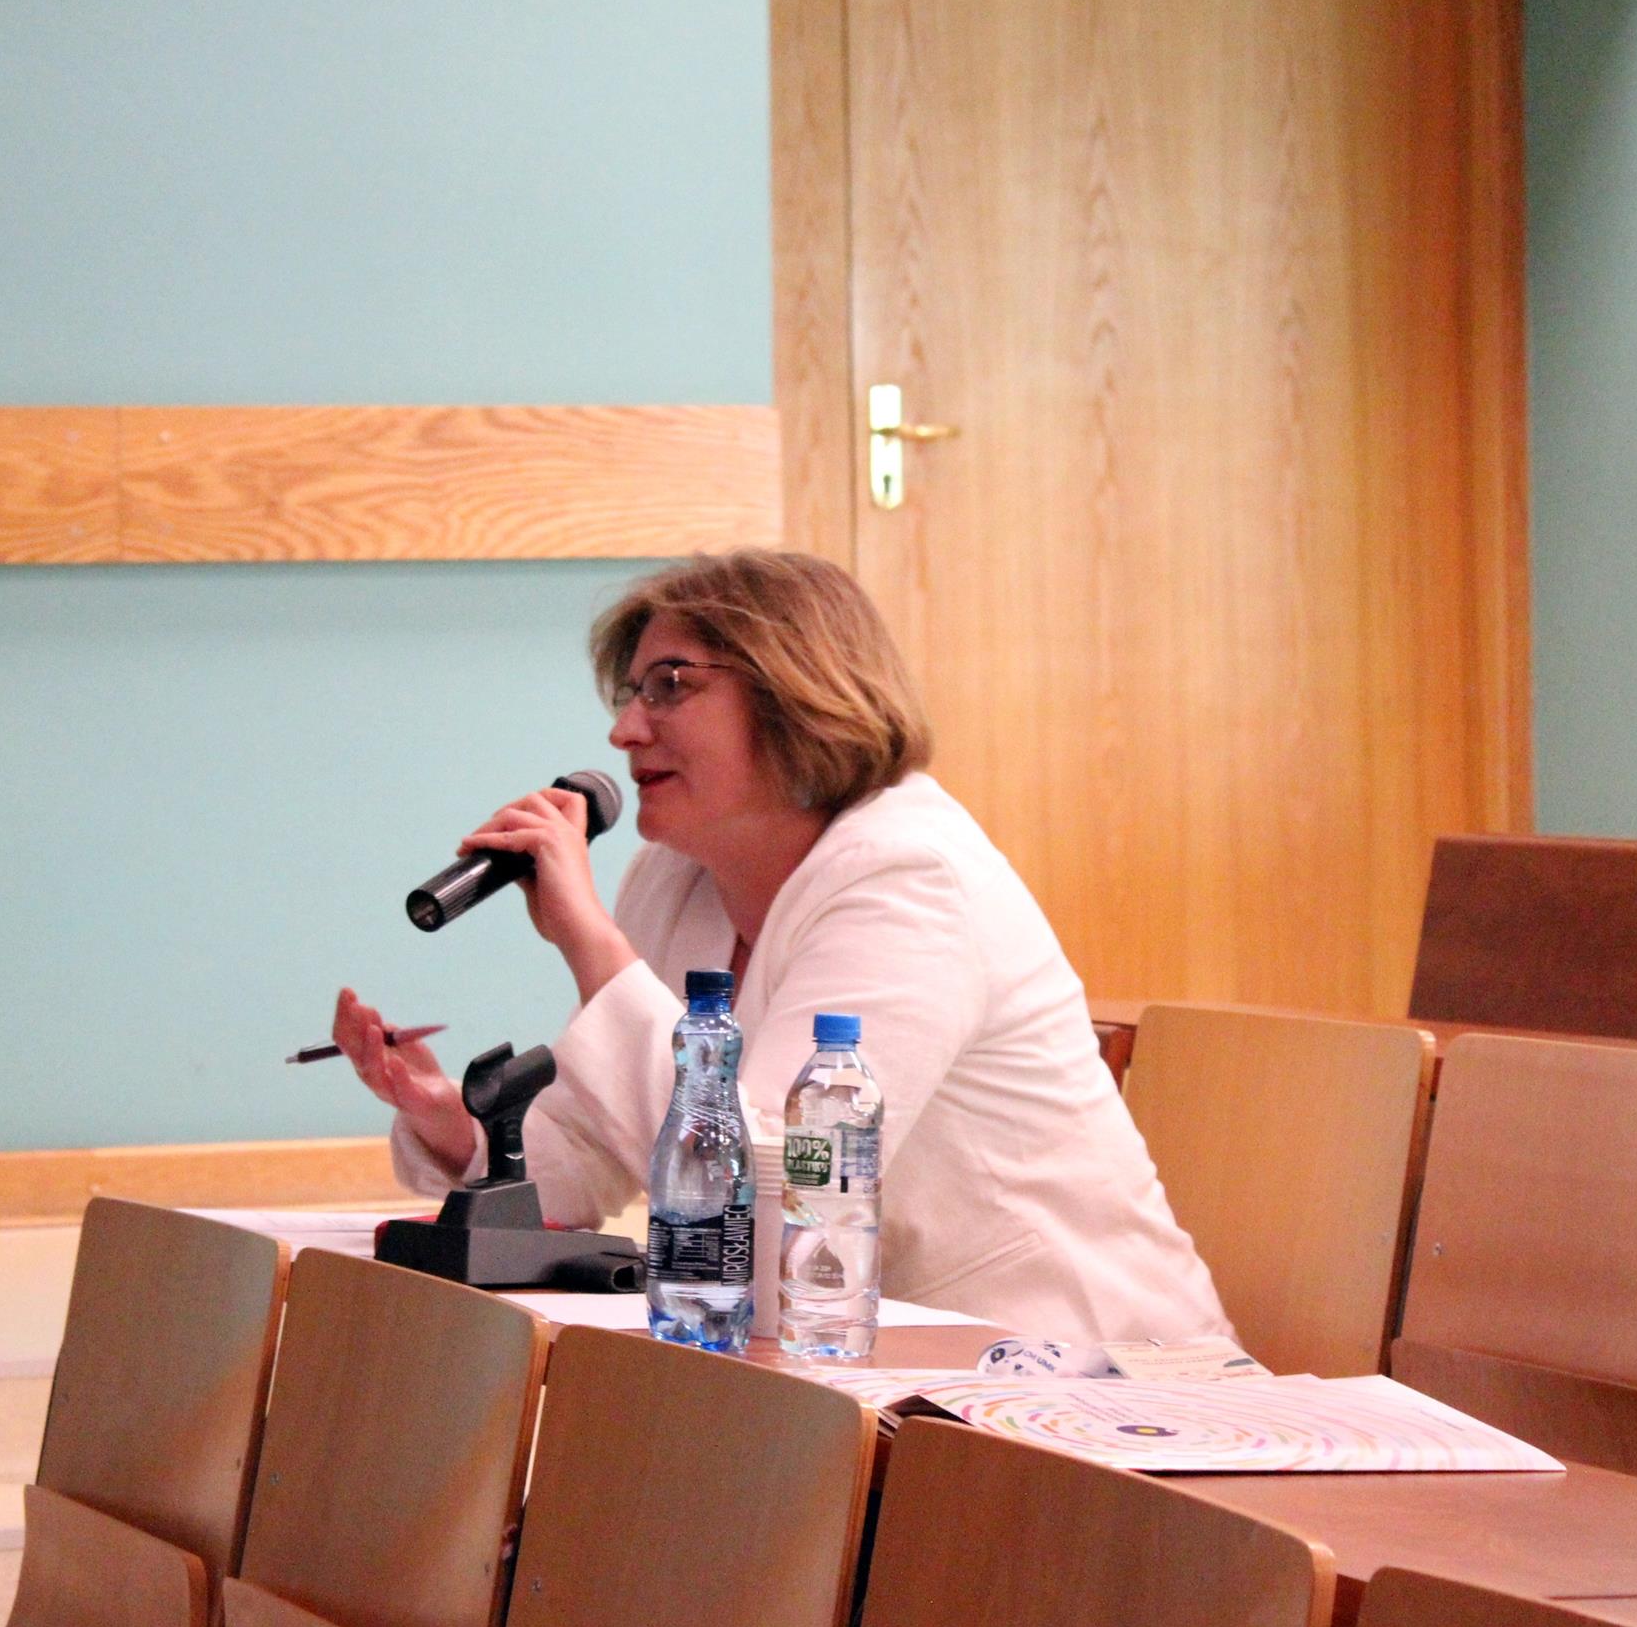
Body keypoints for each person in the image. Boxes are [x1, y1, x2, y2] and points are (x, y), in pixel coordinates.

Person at [333, 550, 1228, 1345]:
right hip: (856, 1363)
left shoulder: (910, 877)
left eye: (670, 685)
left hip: (1080, 1373)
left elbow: (767, 1204)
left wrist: (589, 940)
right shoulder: (676, 875)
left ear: (794, 689)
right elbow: (599, 1150)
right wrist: (450, 1120)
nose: (625, 730)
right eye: (632, 692)